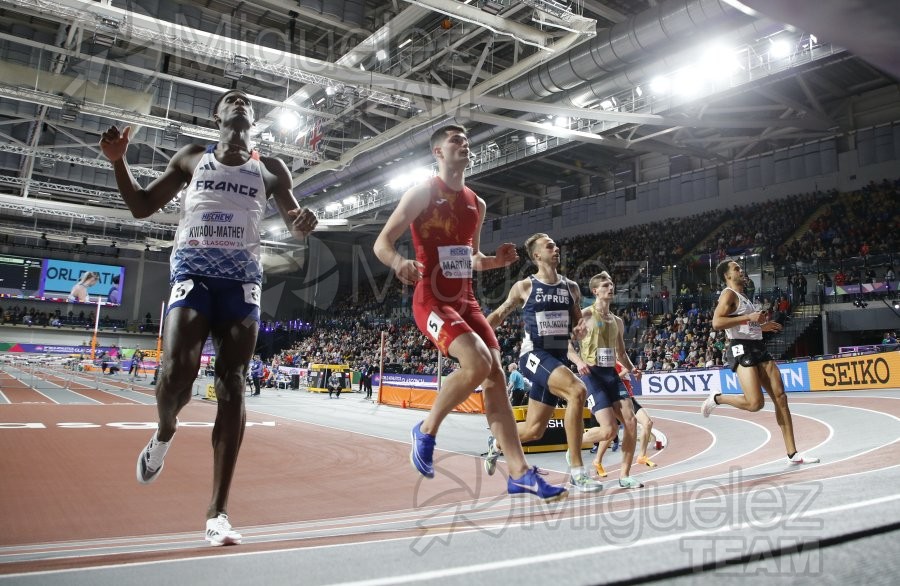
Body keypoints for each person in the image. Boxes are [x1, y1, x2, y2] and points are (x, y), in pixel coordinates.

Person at [100, 88, 318, 546]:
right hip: (193, 271)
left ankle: (218, 510)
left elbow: (294, 215)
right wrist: (118, 161)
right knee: (177, 369)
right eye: (230, 99)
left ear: (253, 119)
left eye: (246, 101)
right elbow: (141, 207)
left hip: (241, 281)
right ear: (216, 115)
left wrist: (302, 222)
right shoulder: (192, 158)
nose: (239, 102)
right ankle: (165, 431)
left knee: (232, 382)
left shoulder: (271, 169)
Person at [374, 124, 567, 502]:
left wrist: (495, 261)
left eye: (466, 139)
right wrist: (398, 261)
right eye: (454, 141)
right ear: (438, 153)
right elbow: (381, 242)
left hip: (466, 301)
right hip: (431, 297)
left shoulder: (475, 204)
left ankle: (519, 473)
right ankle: (426, 430)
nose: (464, 144)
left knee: (495, 376)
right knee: (477, 365)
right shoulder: (422, 193)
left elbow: (471, 258)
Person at [483, 233, 602, 492]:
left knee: (535, 431)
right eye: (550, 246)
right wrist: (475, 337)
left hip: (557, 359)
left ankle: (497, 442)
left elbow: (576, 325)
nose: (556, 248)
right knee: (577, 390)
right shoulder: (525, 287)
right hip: (534, 355)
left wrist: (579, 330)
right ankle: (578, 472)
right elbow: (500, 314)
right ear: (537, 255)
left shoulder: (571, 287)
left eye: (556, 245)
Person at [701, 260, 819, 465]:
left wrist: (761, 327)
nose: (741, 270)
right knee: (755, 403)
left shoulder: (744, 297)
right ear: (727, 276)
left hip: (758, 346)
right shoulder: (728, 294)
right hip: (740, 348)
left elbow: (745, 324)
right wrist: (749, 318)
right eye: (736, 268)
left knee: (781, 397)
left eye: (740, 267)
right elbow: (717, 322)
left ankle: (793, 453)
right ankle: (718, 398)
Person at [568, 272, 645, 489]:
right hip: (591, 375)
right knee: (609, 430)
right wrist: (577, 361)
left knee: (630, 422)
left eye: (611, 284)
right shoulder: (584, 315)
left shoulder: (618, 321)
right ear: (595, 291)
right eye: (605, 285)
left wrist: (632, 368)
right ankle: (573, 449)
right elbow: (564, 343)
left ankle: (625, 475)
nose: (610, 288)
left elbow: (621, 353)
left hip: (611, 375)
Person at [591, 362, 657, 477]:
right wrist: (626, 370)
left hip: (629, 398)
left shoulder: (623, 360)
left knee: (648, 423)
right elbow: (610, 379)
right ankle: (597, 461)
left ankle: (641, 456)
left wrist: (632, 371)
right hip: (617, 398)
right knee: (611, 432)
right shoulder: (610, 362)